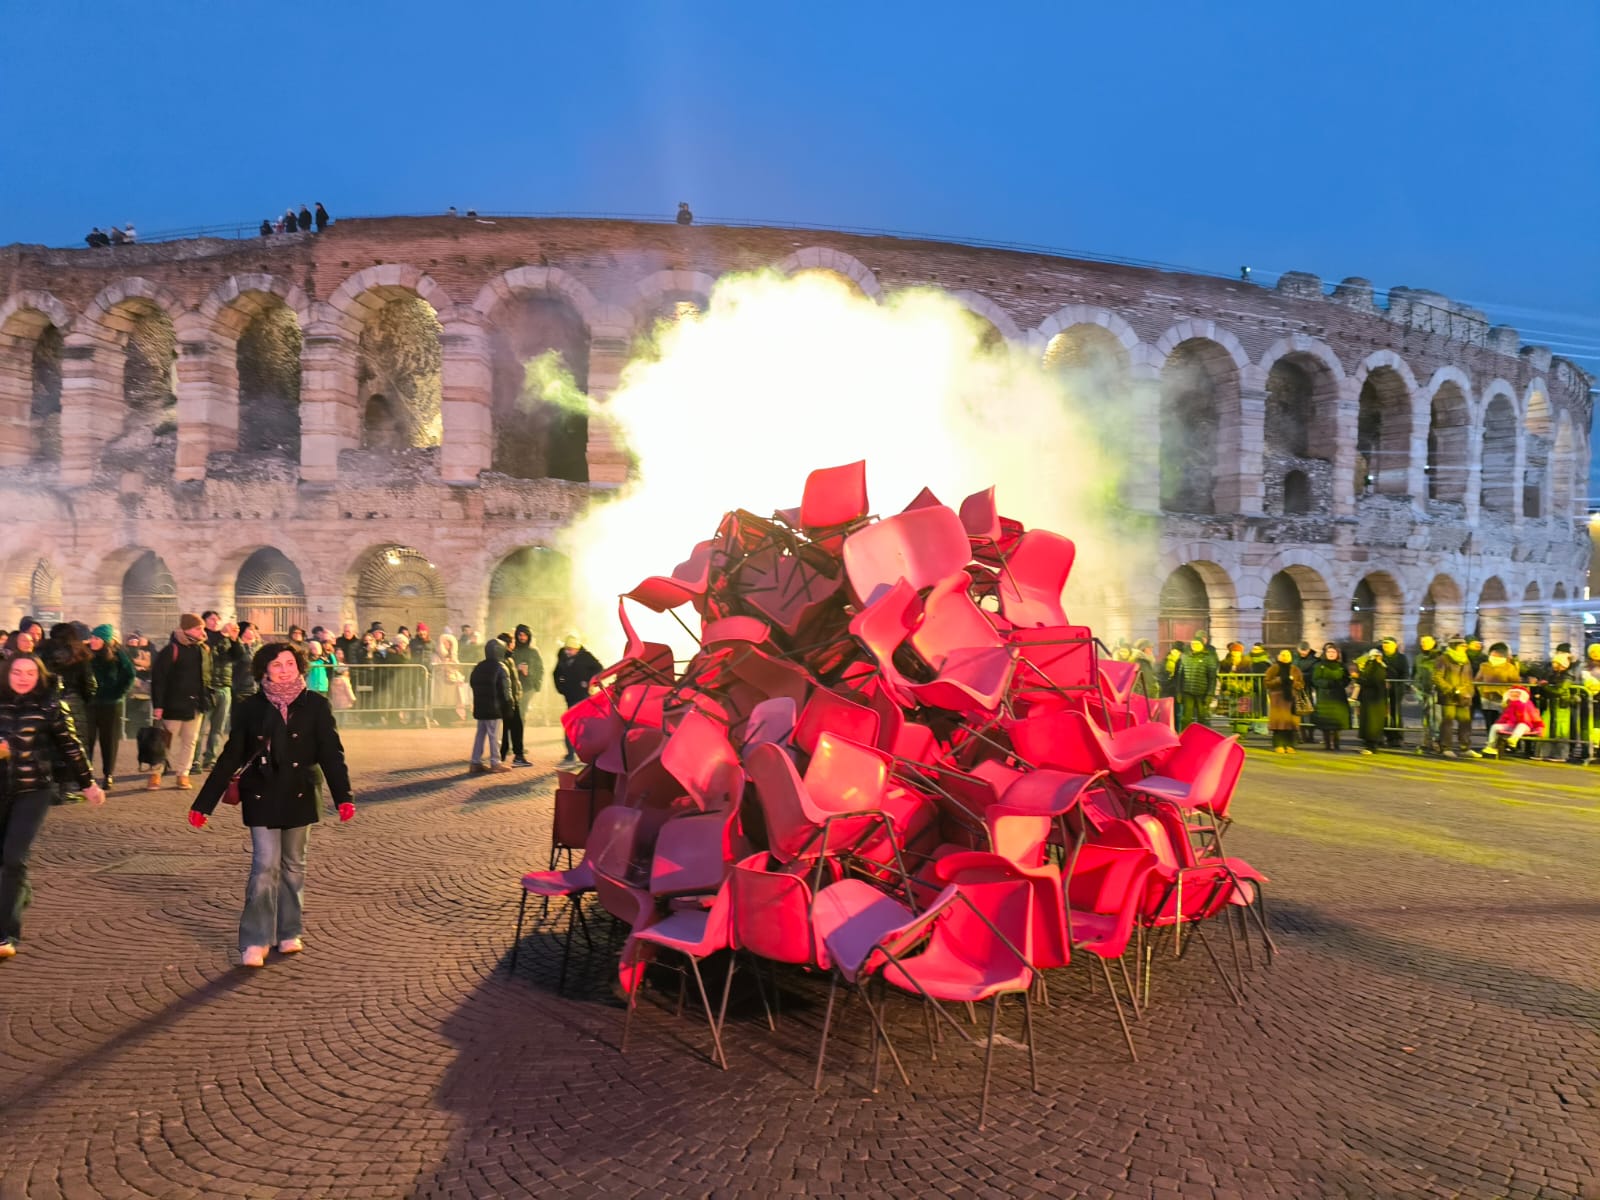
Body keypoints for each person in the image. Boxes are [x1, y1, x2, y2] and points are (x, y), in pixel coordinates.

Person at [187, 643, 353, 968]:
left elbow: (332, 753)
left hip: (301, 792)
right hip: (261, 792)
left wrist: (343, 795)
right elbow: (231, 755)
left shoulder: (316, 705)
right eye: (276, 664)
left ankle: (288, 930)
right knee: (264, 866)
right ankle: (255, 938)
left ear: (300, 667)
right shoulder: (250, 707)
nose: (284, 669)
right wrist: (204, 803)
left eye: (290, 663)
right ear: (264, 669)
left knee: (293, 866)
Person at [1, 653, 105, 959]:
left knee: (14, 858)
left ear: (40, 675)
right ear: (7, 674)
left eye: (30, 672)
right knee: (6, 864)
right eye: (17, 672)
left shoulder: (51, 705)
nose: (23, 677)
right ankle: (18, 892)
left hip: (34, 790)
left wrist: (88, 784)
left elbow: (71, 746)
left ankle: (6, 934)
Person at [149, 613, 214, 790]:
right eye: (198, 628)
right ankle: (156, 772)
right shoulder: (172, 649)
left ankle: (182, 774)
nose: (202, 631)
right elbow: (159, 679)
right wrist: (159, 705)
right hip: (173, 704)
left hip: (195, 705)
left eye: (202, 628)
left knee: (190, 741)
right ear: (186, 629)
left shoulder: (204, 650)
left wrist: (207, 697)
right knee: (164, 741)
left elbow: (207, 677)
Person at [84, 625, 135, 788]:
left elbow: (129, 674)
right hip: (90, 704)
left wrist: (119, 693)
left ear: (106, 641)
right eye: (92, 637)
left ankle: (108, 774)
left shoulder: (118, 654)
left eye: (97, 638)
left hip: (111, 704)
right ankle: (86, 774)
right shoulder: (85, 653)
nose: (93, 640)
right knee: (87, 740)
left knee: (109, 740)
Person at [197, 612, 245, 772]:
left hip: (224, 685)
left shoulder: (225, 638)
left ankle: (210, 758)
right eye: (212, 619)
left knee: (218, 727)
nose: (215, 621)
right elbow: (208, 653)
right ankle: (194, 760)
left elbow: (238, 656)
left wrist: (234, 639)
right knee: (201, 727)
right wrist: (222, 635)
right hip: (207, 687)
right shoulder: (203, 637)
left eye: (218, 619)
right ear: (204, 621)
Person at [468, 640, 514, 774]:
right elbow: (506, 690)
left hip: (481, 706)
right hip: (494, 707)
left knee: (480, 734)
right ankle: (496, 762)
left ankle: (475, 762)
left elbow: (472, 683)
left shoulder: (479, 666)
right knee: (494, 736)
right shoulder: (501, 667)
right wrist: (509, 704)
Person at [1434, 639, 1478, 759]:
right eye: (1462, 645)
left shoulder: (1465, 659)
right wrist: (1451, 689)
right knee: (1448, 721)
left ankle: (1465, 747)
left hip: (1464, 696)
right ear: (1454, 646)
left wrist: (1470, 691)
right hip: (1449, 696)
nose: (1465, 647)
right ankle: (1446, 747)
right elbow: (1437, 677)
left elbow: (1469, 677)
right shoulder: (1443, 658)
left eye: (1465, 645)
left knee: (1465, 721)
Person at [1310, 643, 1351, 752]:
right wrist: (1327, 684)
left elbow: (1347, 679)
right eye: (1329, 652)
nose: (1331, 654)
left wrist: (1340, 684)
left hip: (1338, 697)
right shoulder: (1319, 666)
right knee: (1326, 723)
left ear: (1337, 654)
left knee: (1337, 722)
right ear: (1325, 653)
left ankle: (1336, 743)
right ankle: (1328, 744)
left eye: (1333, 652)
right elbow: (1315, 680)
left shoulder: (1341, 666)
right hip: (1324, 696)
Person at [1262, 649, 1304, 755]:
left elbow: (1301, 684)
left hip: (1291, 700)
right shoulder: (1273, 668)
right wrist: (1279, 680)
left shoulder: (1295, 669)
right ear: (1279, 656)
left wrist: (1293, 682)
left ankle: (1290, 745)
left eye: (1287, 655)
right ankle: (1278, 745)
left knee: (1291, 725)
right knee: (1278, 725)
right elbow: (1267, 683)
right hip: (1278, 700)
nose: (1285, 656)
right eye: (1283, 654)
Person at [1483, 686, 1543, 758]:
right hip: (1511, 725)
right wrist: (1499, 724)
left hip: (1526, 726)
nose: (1514, 694)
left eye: (1517, 693)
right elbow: (1504, 717)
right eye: (1512, 692)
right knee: (1494, 727)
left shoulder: (1528, 705)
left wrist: (1539, 727)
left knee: (1522, 725)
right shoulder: (1510, 705)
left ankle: (1513, 740)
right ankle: (1491, 745)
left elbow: (1535, 717)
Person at [1474, 643, 1520, 737]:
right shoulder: (1484, 666)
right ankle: (1490, 740)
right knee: (1489, 720)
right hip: (1486, 697)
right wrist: (1481, 689)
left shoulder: (1509, 667)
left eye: (1496, 654)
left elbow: (1515, 683)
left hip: (1501, 698)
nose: (1493, 656)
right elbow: (1477, 680)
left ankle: (1501, 741)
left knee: (1500, 721)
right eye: (1491, 654)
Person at [1172, 637, 1217, 733]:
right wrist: (1179, 692)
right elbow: (1180, 676)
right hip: (1187, 691)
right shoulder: (1185, 657)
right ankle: (1185, 736)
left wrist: (1210, 694)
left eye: (1197, 644)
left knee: (1202, 717)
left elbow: (1212, 678)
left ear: (1202, 645)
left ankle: (1203, 737)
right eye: (1193, 644)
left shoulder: (1209, 658)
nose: (1195, 646)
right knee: (1186, 718)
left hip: (1202, 692)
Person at [1354, 647, 1389, 755]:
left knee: (1372, 723)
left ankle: (1372, 746)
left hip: (1373, 700)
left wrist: (1358, 678)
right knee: (1370, 723)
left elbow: (1370, 682)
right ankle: (1369, 745)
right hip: (1372, 699)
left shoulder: (1376, 668)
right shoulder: (1378, 667)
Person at [1412, 635, 1441, 755]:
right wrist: (1414, 685)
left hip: (1436, 691)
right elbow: (1414, 673)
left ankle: (1437, 741)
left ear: (1433, 642)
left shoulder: (1440, 656)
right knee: (1425, 718)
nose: (1423, 644)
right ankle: (1426, 742)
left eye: (1426, 642)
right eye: (1422, 642)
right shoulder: (1418, 657)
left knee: (1437, 718)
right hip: (1421, 691)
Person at [1379, 637, 1409, 747]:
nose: (1385, 646)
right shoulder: (1379, 657)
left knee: (1395, 713)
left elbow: (1405, 673)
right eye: (1384, 644)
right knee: (1382, 713)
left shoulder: (1401, 658)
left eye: (1388, 644)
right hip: (1381, 689)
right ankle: (1384, 736)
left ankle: (1397, 737)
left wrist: (1401, 685)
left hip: (1396, 690)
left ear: (1395, 645)